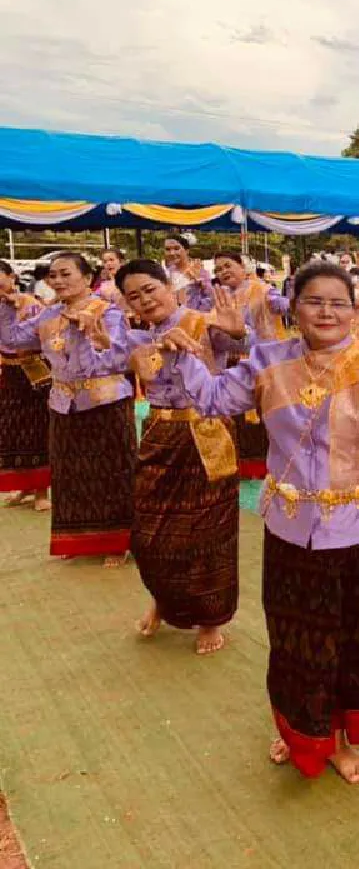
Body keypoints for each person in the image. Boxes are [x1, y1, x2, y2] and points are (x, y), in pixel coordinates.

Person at [162, 260, 359, 783]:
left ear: (355, 309)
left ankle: (341, 736)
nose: (326, 311)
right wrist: (189, 359)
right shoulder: (266, 359)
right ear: (293, 305)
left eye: (338, 302)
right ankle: (302, 730)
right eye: (314, 300)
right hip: (290, 527)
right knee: (295, 635)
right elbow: (214, 399)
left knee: (356, 636)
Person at [97, 260, 248, 655]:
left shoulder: (204, 322)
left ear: (169, 286)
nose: (145, 300)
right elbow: (104, 361)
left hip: (208, 432)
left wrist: (238, 330)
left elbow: (246, 347)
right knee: (150, 531)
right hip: (159, 434)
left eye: (150, 289)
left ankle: (210, 619)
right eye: (134, 296)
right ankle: (163, 601)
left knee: (209, 531)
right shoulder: (135, 338)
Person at [0, 252, 135, 564]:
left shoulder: (108, 312)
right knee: (70, 473)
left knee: (112, 471)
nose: (57, 281)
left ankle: (118, 541)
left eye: (65, 274)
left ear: (87, 278)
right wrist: (6, 309)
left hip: (105, 402)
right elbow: (12, 338)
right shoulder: (49, 315)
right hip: (63, 404)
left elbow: (113, 352)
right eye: (53, 275)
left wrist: (89, 331)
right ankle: (80, 538)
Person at [198, 251, 290, 479]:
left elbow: (281, 304)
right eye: (218, 270)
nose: (223, 272)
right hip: (232, 362)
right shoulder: (222, 297)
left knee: (268, 412)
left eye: (228, 266)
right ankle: (245, 465)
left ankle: (269, 465)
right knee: (238, 414)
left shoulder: (262, 289)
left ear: (243, 266)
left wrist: (298, 302)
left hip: (265, 362)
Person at [0, 260, 51, 510]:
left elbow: (44, 336)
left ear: (11, 277)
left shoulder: (32, 304)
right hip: (7, 371)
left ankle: (42, 490)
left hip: (33, 370)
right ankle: (23, 486)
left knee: (37, 428)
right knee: (12, 430)